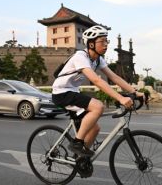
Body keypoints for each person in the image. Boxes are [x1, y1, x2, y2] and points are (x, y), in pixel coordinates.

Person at [52, 25, 143, 157]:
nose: (105, 44)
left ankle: (80, 160)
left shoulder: (97, 59)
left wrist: (135, 92)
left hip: (73, 92)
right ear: (91, 44)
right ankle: (76, 142)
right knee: (98, 106)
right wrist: (121, 98)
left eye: (107, 41)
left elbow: (114, 77)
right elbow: (97, 81)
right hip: (61, 93)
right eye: (102, 41)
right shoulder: (80, 57)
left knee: (95, 128)